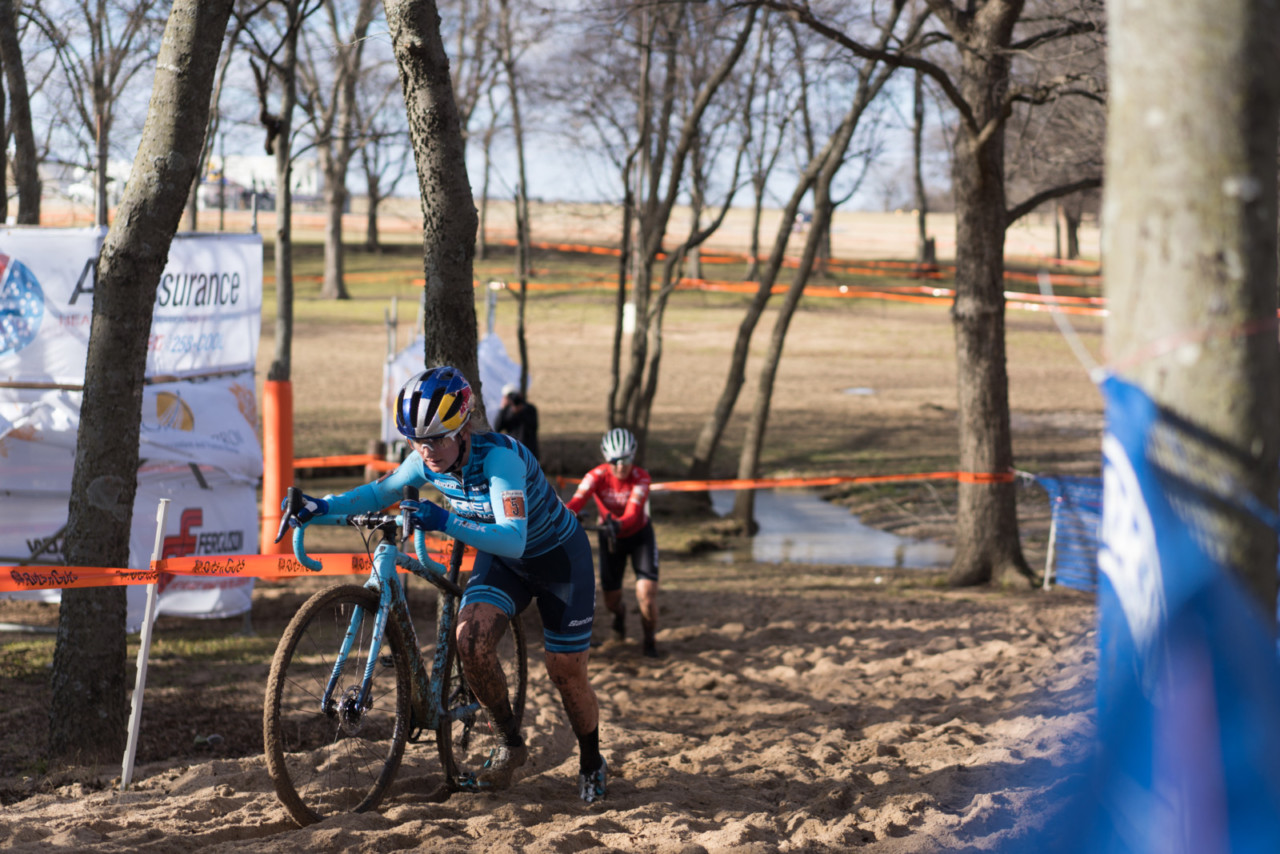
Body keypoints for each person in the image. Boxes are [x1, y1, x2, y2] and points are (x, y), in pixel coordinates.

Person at [280, 366, 607, 804]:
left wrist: (444, 519)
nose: (427, 451)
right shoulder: (424, 460)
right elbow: (380, 492)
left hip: (558, 561)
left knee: (565, 672)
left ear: (465, 427)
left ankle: (591, 761)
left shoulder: (500, 460)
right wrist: (320, 506)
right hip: (505, 561)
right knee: (468, 640)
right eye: (417, 441)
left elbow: (515, 538)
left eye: (437, 438)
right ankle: (510, 743)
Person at [566, 427, 662, 658]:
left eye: (626, 459)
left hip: (640, 537)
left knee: (647, 595)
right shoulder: (595, 476)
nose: (621, 466)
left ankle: (649, 641)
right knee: (611, 601)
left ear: (633, 456)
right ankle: (619, 617)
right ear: (606, 458)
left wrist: (618, 524)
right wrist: (566, 516)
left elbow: (633, 512)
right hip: (610, 539)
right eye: (615, 460)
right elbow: (576, 501)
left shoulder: (641, 477)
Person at [495, 382, 540, 461]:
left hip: (529, 452)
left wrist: (520, 411)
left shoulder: (530, 409)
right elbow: (497, 427)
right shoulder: (506, 411)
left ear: (520, 395)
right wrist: (502, 408)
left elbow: (533, 426)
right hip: (513, 451)